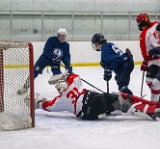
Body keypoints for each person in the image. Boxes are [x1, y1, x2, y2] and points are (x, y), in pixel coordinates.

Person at [25, 72, 160, 121]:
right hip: (90, 103)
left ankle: (150, 106)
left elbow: (47, 106)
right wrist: (65, 75)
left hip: (87, 113)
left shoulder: (60, 100)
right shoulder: (73, 86)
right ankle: (150, 112)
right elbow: (75, 76)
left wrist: (37, 103)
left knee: (119, 97)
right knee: (119, 101)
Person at [17, 28, 72, 94]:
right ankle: (25, 87)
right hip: (45, 59)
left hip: (55, 62)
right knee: (34, 71)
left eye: (64, 36)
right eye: (61, 35)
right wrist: (52, 57)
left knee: (58, 76)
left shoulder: (66, 45)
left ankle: (63, 91)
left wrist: (68, 64)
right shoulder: (51, 40)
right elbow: (46, 50)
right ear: (58, 35)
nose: (63, 37)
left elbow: (66, 56)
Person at [136, 13, 160, 101]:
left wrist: (145, 63)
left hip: (154, 60)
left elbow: (146, 54)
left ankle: (156, 100)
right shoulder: (156, 24)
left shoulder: (143, 35)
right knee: (157, 81)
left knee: (150, 81)